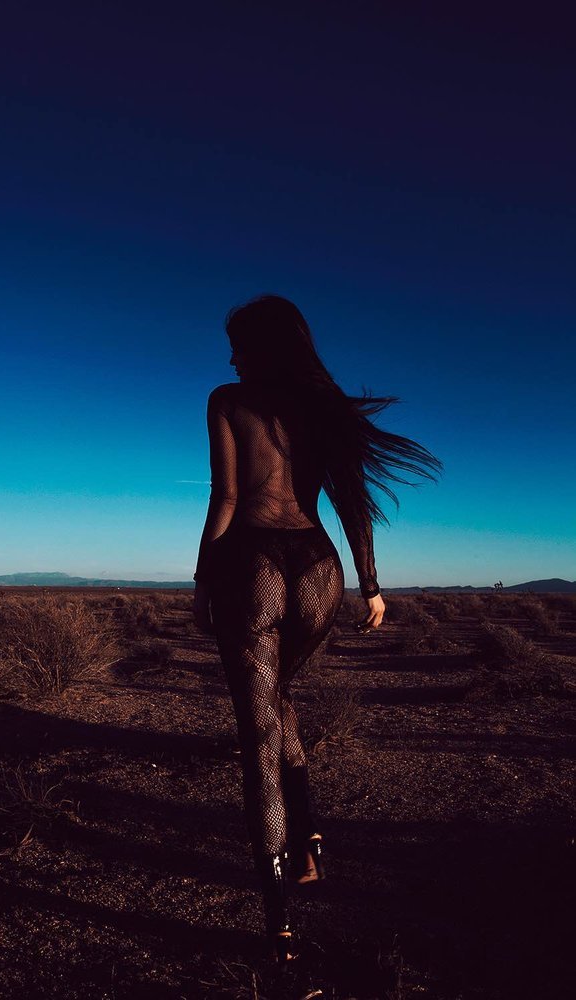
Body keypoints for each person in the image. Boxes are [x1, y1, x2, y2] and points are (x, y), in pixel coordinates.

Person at [192, 294, 442, 967]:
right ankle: (309, 841)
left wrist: (202, 580)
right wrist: (372, 586)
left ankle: (279, 926)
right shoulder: (322, 407)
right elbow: (354, 503)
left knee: (259, 737)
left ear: (260, 346)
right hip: (318, 570)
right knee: (280, 699)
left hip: (253, 567)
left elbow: (227, 496)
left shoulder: (227, 400)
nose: (231, 359)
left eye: (238, 345)